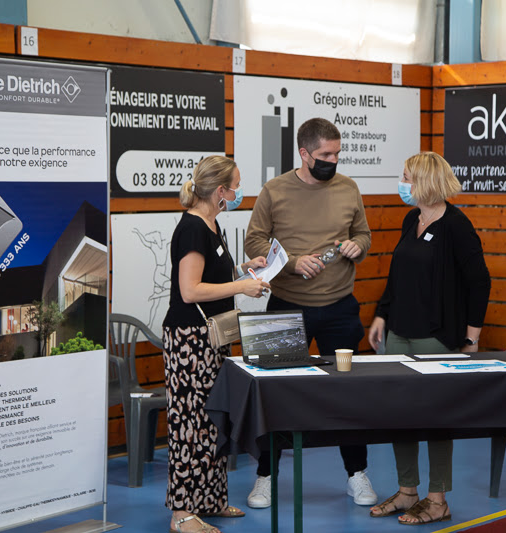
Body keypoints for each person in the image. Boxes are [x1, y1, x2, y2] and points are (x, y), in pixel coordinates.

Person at [244, 117, 376, 508]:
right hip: (285, 306)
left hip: (340, 307)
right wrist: (292, 263)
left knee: (349, 396)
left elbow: (364, 235)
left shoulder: (349, 188)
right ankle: (265, 477)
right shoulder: (274, 190)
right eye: (324, 154)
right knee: (273, 394)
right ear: (304, 153)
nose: (332, 160)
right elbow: (254, 240)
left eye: (336, 153)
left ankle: (357, 474)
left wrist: (358, 247)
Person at [367, 151, 491, 525]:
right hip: (399, 334)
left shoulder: (457, 225)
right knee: (399, 415)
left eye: (406, 177)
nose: (402, 184)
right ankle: (408, 493)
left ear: (425, 181)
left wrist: (471, 339)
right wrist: (381, 315)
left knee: (436, 416)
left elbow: (479, 282)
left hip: (436, 337)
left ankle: (437, 499)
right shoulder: (411, 218)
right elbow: (398, 275)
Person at [162, 155, 271, 533]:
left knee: (212, 422)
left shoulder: (211, 223)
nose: (239, 192)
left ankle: (209, 500)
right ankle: (181, 513)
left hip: (211, 339)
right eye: (236, 185)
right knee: (189, 425)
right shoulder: (192, 227)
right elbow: (190, 290)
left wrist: (244, 269)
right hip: (189, 340)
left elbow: (212, 272)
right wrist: (242, 287)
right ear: (220, 190)